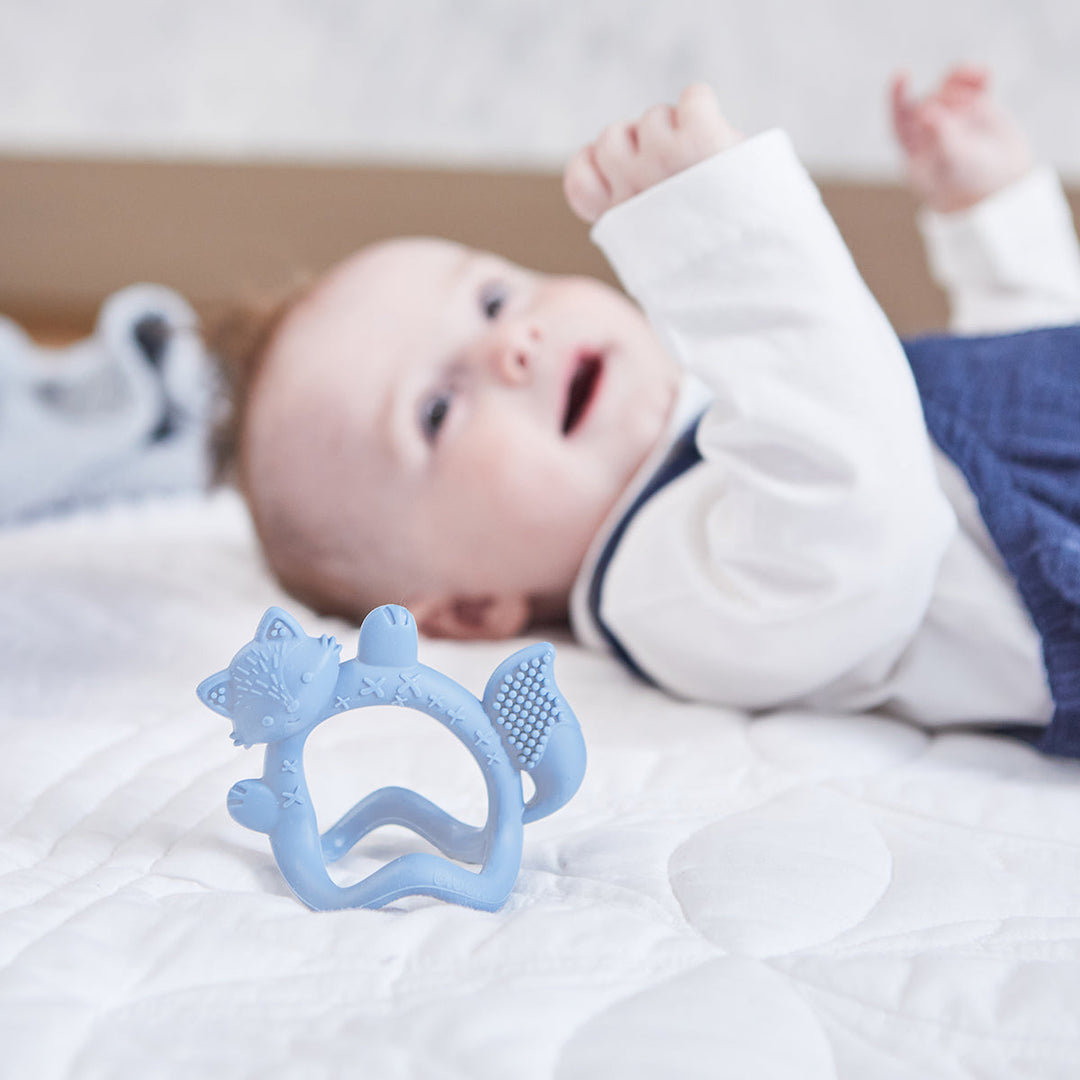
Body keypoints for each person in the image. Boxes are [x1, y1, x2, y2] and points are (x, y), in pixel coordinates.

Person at [213, 66, 1080, 755]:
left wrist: (997, 225)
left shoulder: (758, 398)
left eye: (491, 300)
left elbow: (1017, 411)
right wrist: (722, 241)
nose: (511, 346)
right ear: (474, 611)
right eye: (436, 411)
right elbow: (862, 519)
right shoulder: (663, 590)